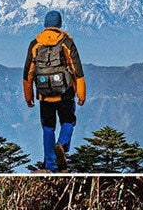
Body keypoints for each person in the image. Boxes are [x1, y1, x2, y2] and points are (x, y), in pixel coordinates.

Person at [23, 10, 86, 173]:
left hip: (44, 95)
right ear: (59, 24)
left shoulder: (35, 44)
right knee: (68, 121)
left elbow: (28, 73)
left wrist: (28, 96)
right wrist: (81, 93)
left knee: (48, 128)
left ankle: (50, 165)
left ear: (45, 25)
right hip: (65, 93)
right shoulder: (66, 41)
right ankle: (62, 145)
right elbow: (76, 69)